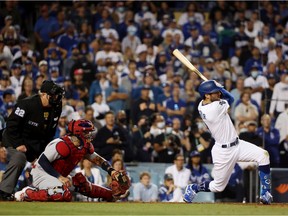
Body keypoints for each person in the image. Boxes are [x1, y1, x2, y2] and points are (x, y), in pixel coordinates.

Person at [183, 80, 272, 205]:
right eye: (215, 92)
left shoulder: (201, 104)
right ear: (207, 95)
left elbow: (222, 97)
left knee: (263, 155)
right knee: (218, 187)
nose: (219, 93)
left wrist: (214, 87)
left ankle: (266, 193)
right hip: (223, 151)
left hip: (237, 144)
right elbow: (230, 98)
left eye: (218, 91)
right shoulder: (214, 108)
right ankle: (194, 188)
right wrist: (222, 89)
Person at [14, 119, 130, 202]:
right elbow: (43, 162)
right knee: (63, 194)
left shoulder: (84, 145)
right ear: (79, 133)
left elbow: (97, 159)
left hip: (58, 176)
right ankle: (28, 193)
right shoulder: (61, 144)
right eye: (86, 132)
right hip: (41, 174)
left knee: (82, 184)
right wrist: (59, 177)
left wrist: (112, 171)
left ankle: (111, 196)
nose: (89, 135)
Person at [0, 80, 64, 201]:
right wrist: (18, 144)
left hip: (35, 142)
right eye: (54, 95)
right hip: (14, 138)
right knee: (20, 157)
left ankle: (51, 192)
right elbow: (11, 125)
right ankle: (4, 192)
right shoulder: (26, 104)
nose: (57, 98)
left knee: (53, 160)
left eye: (57, 95)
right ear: (43, 94)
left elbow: (50, 132)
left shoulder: (56, 106)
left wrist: (45, 153)